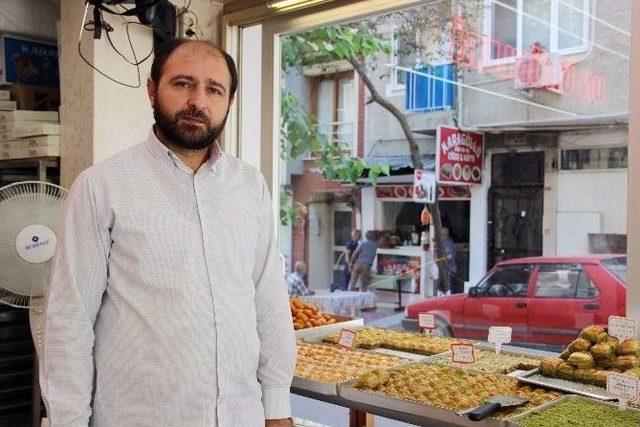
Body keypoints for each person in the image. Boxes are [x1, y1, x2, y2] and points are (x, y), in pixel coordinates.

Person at [42, 40, 295, 427]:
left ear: (229, 103)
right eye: (182, 83)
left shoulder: (249, 186)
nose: (198, 100)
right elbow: (70, 322)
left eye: (214, 89)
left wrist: (277, 408)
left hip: (241, 415)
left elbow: (269, 301)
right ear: (151, 90)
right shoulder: (102, 187)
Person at [441, 226, 457, 295]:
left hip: (449, 270)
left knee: (449, 290)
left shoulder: (448, 243)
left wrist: (442, 258)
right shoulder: (445, 242)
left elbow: (450, 256)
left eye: (442, 231)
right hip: (447, 270)